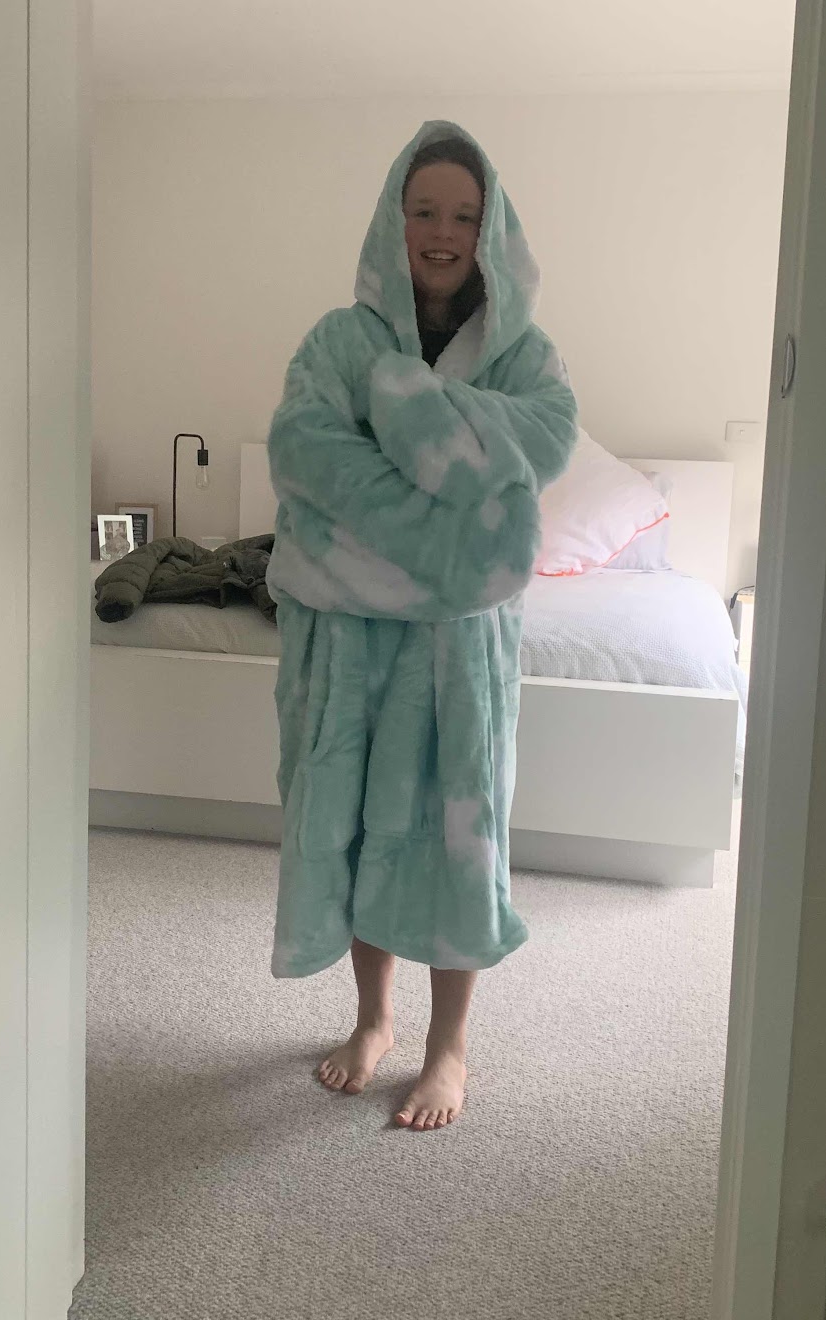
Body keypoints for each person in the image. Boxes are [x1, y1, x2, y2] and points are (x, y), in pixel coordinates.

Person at [265, 120, 578, 1131]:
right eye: (424, 211)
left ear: (490, 232)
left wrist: (405, 418)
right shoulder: (337, 343)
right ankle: (373, 1020)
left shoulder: (524, 358)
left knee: (456, 836)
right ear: (391, 222)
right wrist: (449, 535)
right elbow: (304, 457)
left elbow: (544, 449)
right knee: (361, 823)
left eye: (464, 216)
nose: (442, 233)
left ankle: (449, 1048)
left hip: (459, 653)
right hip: (351, 648)